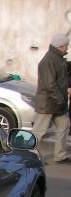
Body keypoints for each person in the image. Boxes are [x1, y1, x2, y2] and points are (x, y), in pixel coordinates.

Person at [32, 33, 70, 163]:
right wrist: (61, 100)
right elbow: (50, 85)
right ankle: (31, 155)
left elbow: (63, 77)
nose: (67, 49)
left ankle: (60, 155)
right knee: (39, 131)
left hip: (57, 102)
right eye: (66, 46)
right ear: (60, 46)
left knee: (64, 126)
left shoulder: (58, 58)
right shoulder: (48, 60)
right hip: (48, 102)